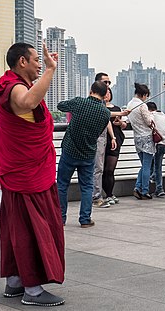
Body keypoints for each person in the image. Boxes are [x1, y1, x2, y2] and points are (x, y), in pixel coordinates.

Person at [0, 43, 65, 306]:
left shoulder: (11, 85)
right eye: (38, 59)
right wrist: (51, 71)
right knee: (33, 229)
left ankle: (15, 281)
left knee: (17, 227)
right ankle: (33, 290)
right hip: (27, 174)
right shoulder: (16, 88)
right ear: (22, 62)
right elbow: (28, 102)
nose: (41, 63)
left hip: (23, 171)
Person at [56, 81, 115, 227]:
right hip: (88, 153)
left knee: (62, 185)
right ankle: (85, 219)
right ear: (104, 95)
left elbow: (60, 106)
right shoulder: (105, 113)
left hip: (70, 150)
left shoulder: (79, 103)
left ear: (91, 90)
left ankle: (60, 218)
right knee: (87, 186)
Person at [127, 83, 155, 200]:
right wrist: (152, 116)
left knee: (144, 165)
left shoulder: (130, 104)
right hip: (146, 138)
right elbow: (149, 121)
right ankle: (144, 191)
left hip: (137, 138)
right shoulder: (142, 106)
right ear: (143, 95)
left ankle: (138, 188)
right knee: (147, 166)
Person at [92, 72, 114, 208]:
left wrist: (113, 137)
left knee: (98, 168)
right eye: (105, 83)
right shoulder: (95, 103)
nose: (107, 86)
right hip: (95, 139)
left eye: (109, 83)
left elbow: (107, 120)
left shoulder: (102, 103)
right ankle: (96, 197)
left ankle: (96, 195)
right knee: (96, 168)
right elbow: (106, 115)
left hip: (103, 138)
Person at [102, 87, 127, 205]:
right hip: (102, 139)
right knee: (101, 169)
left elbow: (123, 124)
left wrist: (120, 123)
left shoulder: (117, 108)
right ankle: (104, 194)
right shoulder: (99, 107)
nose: (107, 95)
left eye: (109, 93)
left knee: (110, 169)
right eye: (105, 93)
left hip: (115, 139)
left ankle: (110, 194)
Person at [147, 101, 165, 197]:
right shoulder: (163, 115)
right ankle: (153, 176)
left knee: (158, 166)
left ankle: (159, 188)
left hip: (158, 144)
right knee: (154, 163)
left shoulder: (152, 115)